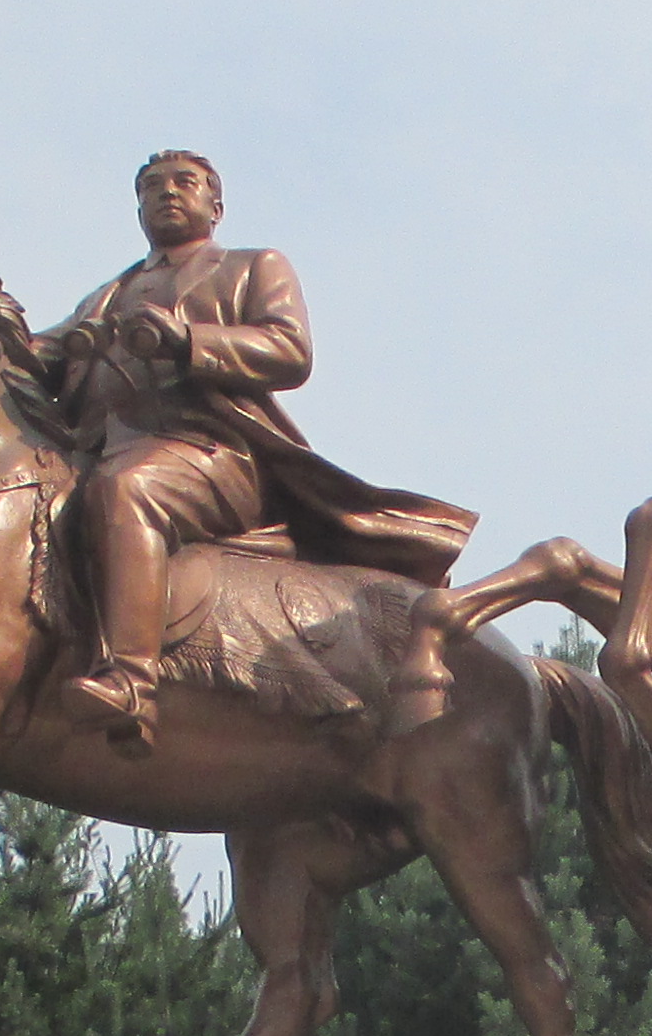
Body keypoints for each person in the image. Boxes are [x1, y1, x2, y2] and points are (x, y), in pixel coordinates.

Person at [34, 149, 475, 749]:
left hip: (209, 452)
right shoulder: (104, 297)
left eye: (184, 183)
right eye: (152, 186)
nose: (167, 193)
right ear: (137, 210)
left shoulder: (251, 267)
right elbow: (40, 352)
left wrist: (187, 339)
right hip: (97, 450)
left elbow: (290, 350)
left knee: (126, 491)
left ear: (215, 207)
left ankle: (132, 680)